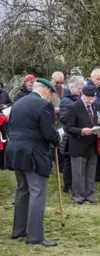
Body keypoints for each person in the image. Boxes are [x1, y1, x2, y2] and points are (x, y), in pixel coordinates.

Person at [6, 78, 60, 247]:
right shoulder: (44, 105)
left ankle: (19, 230)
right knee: (37, 192)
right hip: (33, 153)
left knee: (22, 190)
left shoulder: (18, 103)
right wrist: (58, 138)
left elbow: (11, 127)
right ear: (47, 91)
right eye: (51, 94)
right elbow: (49, 133)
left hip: (15, 151)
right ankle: (35, 236)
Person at [65, 85, 100, 204]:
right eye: (89, 98)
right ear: (83, 95)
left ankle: (90, 194)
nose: (92, 101)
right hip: (79, 143)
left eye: (93, 98)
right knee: (79, 172)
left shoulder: (96, 106)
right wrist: (81, 131)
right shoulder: (74, 107)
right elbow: (69, 128)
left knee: (91, 171)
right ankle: (78, 196)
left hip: (92, 143)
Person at [59, 76, 84, 193]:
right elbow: (63, 118)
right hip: (69, 135)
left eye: (81, 88)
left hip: (78, 132)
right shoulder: (66, 100)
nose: (80, 90)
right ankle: (68, 185)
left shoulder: (78, 98)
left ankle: (76, 182)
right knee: (68, 160)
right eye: (78, 88)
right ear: (72, 87)